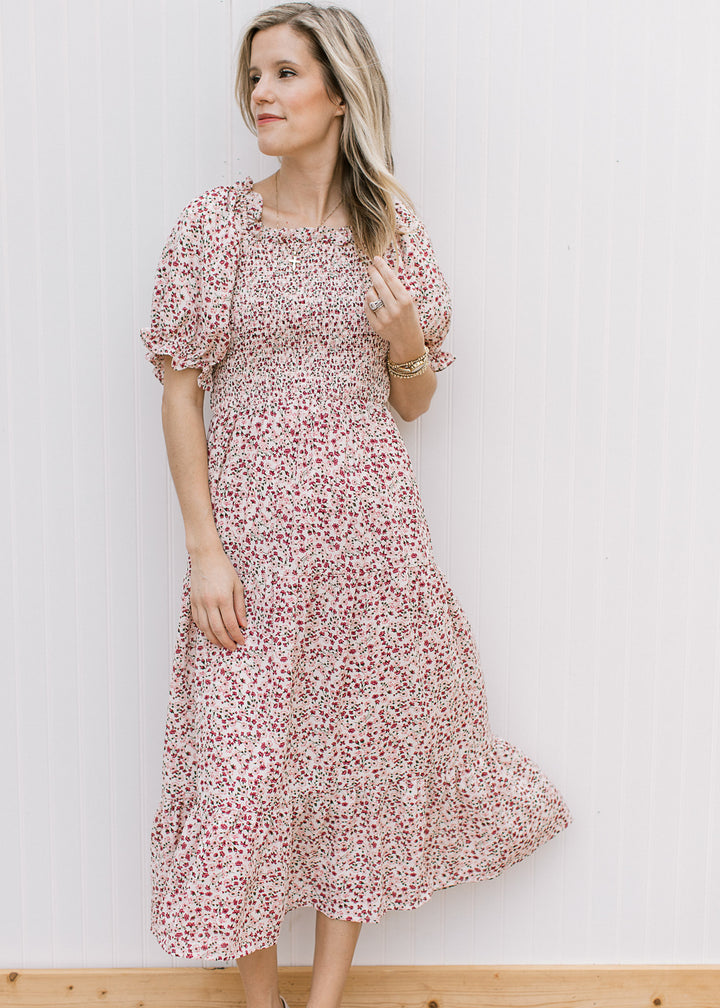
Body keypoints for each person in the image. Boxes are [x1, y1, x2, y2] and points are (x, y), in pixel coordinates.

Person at [139, 3, 572, 1007]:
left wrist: (406, 334)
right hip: (253, 550)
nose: (262, 96)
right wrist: (207, 551)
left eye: (285, 75)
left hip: (371, 544)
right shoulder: (217, 227)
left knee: (356, 771)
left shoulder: (390, 225)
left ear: (340, 89)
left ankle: (325, 998)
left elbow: (414, 401)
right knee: (242, 776)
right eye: (254, 77)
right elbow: (179, 390)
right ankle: (258, 999)